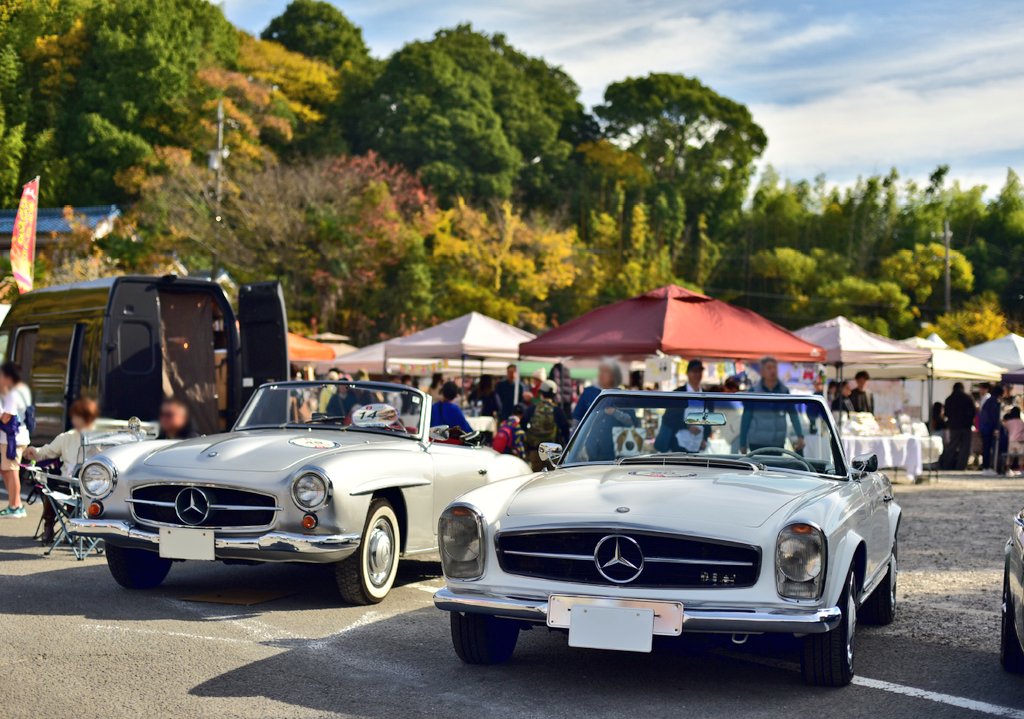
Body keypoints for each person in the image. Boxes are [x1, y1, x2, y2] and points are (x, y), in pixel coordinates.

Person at [24, 398, 100, 542]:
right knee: (50, 487)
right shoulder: (67, 437)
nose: (75, 420)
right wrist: (33, 451)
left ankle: (73, 528)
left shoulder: (100, 438)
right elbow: (47, 452)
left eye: (78, 416)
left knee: (58, 489)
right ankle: (49, 526)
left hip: (92, 486)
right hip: (68, 483)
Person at [739, 356, 805, 454]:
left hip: (777, 443)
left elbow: (793, 415)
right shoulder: (754, 392)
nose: (772, 371)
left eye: (774, 367)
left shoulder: (784, 391)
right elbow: (746, 419)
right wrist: (742, 443)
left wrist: (800, 436)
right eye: (769, 368)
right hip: (757, 443)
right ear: (762, 371)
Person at [0, 362, 31, 519]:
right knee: (7, 470)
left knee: (12, 471)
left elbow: (6, 418)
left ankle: (15, 506)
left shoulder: (13, 394)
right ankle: (15, 504)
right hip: (17, 437)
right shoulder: (21, 390)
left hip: (12, 439)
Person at [524, 380, 570, 470]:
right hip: (553, 451)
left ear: (541, 393)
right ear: (554, 395)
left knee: (536, 478)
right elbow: (565, 429)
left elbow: (523, 425)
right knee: (552, 479)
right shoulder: (557, 410)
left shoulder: (533, 409)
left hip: (535, 450)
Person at [573, 360, 622, 424]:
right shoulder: (588, 393)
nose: (602, 375)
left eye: (606, 372)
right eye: (601, 371)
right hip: (591, 433)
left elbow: (631, 421)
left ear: (613, 376)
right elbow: (577, 419)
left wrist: (616, 413)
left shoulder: (620, 395)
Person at [940, 382, 976, 470]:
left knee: (952, 446)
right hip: (966, 426)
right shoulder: (968, 398)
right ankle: (960, 466)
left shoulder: (949, 399)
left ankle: (947, 465)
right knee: (965, 448)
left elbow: (946, 413)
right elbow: (974, 412)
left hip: (954, 426)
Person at [978, 384, 1005, 475]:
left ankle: (986, 467)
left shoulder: (988, 401)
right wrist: (996, 428)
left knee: (986, 448)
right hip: (989, 428)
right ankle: (987, 467)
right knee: (988, 448)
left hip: (985, 428)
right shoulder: (993, 402)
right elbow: (994, 417)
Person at [1003, 406, 1024, 476]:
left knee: (1010, 456)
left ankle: (1007, 469)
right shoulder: (1021, 422)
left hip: (1011, 440)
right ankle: (1021, 470)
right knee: (1021, 456)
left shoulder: (1009, 422)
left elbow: (1004, 427)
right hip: (1020, 441)